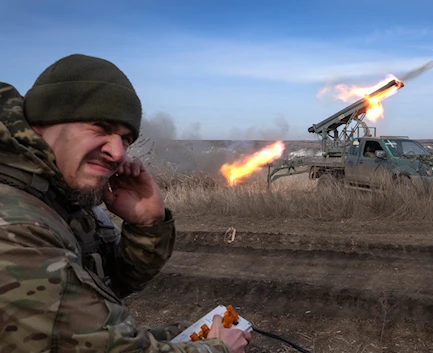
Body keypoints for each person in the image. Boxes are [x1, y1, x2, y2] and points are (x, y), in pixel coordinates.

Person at [0, 54, 251, 352]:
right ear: (42, 122)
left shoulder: (58, 199)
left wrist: (147, 224)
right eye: (100, 127)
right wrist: (216, 349)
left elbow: (106, 285)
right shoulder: (16, 225)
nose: (118, 153)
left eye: (126, 138)